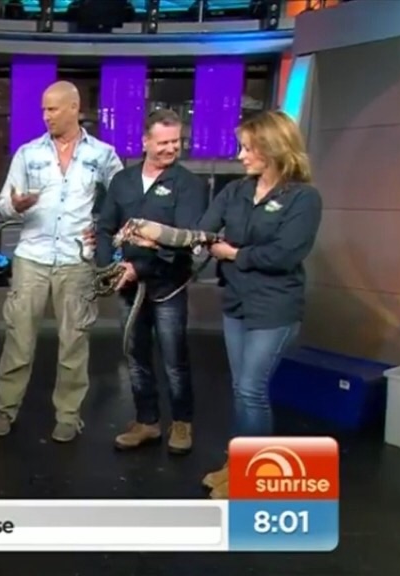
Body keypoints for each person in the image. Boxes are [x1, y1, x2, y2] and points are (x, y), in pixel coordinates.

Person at [120, 111, 322, 498]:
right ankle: (237, 465)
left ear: (273, 149)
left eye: (247, 148)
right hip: (237, 303)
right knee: (241, 388)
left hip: (274, 308)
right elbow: (201, 233)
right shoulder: (237, 191)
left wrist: (232, 253)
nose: (240, 155)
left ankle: (252, 476)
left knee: (251, 389)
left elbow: (284, 255)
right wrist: (157, 235)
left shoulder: (304, 198)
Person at [0, 81, 124, 442]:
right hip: (31, 258)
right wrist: (15, 206)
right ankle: (5, 407)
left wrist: (104, 230)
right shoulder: (28, 153)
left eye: (52, 109)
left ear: (74, 108)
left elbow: (122, 201)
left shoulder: (103, 155)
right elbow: (3, 202)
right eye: (43, 109)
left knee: (74, 341)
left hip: (76, 260)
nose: (45, 116)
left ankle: (68, 415)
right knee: (18, 338)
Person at [94, 109, 208, 454]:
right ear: (145, 141)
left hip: (167, 288)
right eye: (163, 142)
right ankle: (147, 422)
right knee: (135, 356)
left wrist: (138, 267)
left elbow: (182, 240)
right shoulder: (123, 181)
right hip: (128, 286)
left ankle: (182, 423)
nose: (171, 148)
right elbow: (105, 228)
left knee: (174, 360)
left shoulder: (189, 185)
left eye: (176, 142)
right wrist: (110, 268)